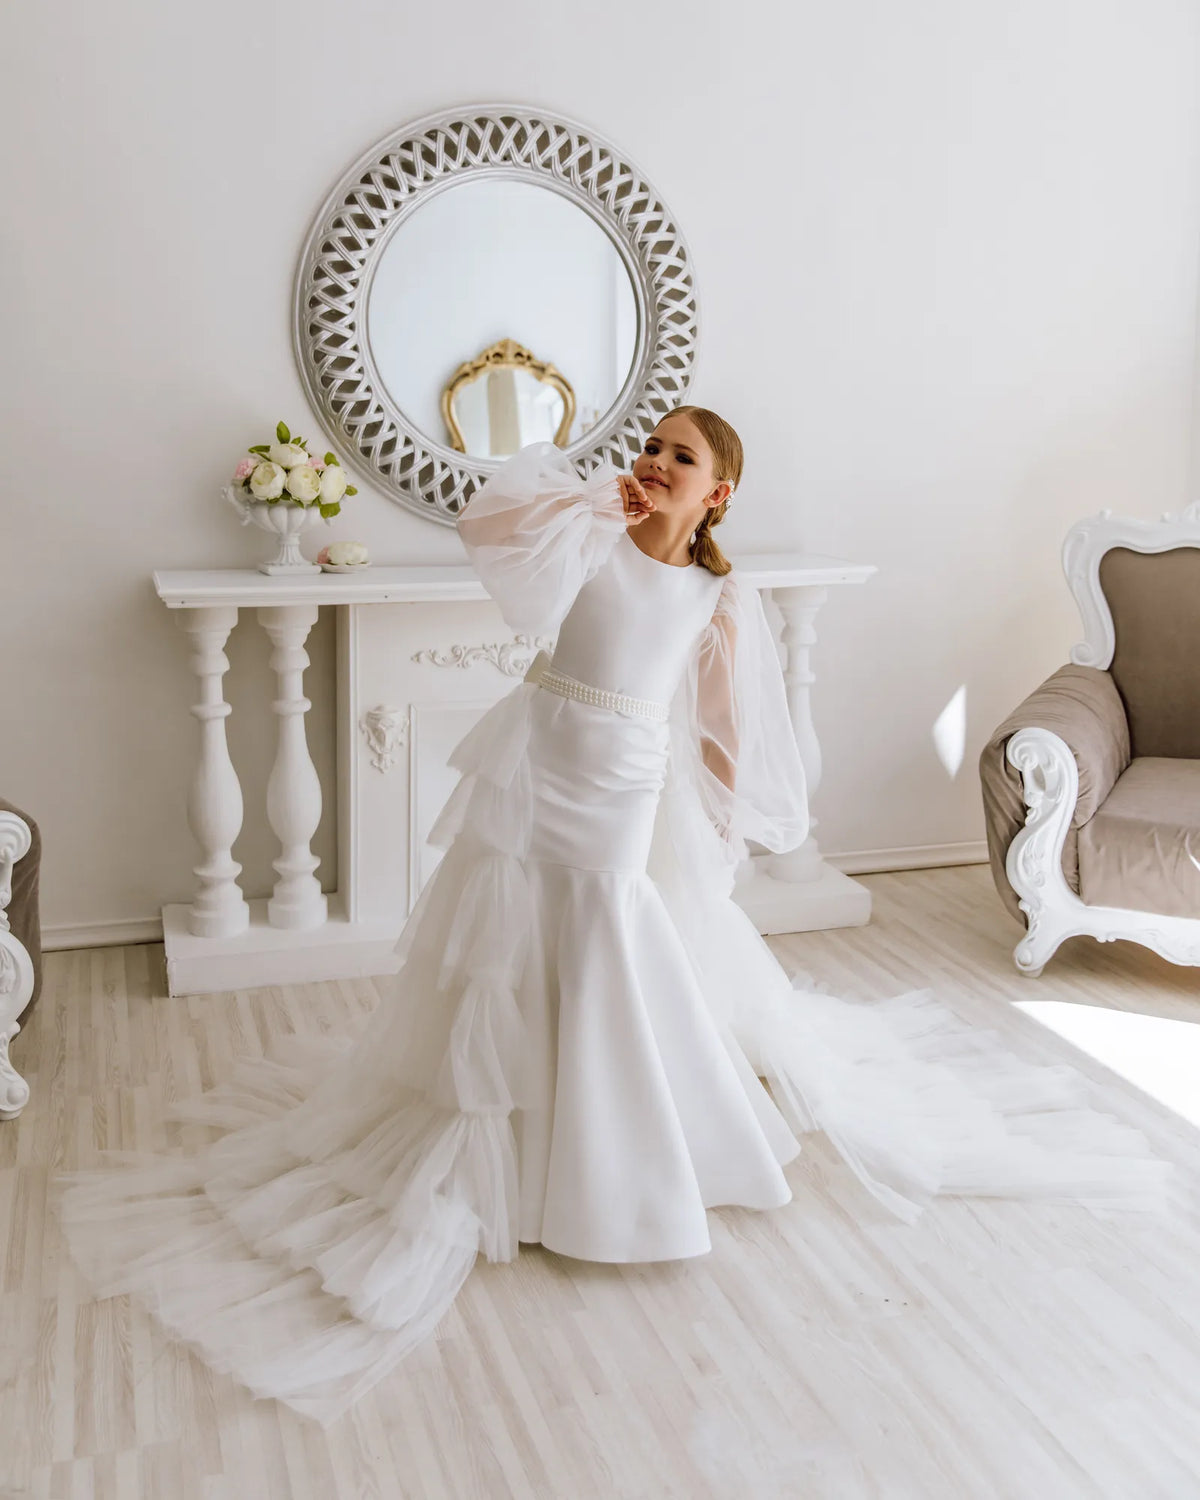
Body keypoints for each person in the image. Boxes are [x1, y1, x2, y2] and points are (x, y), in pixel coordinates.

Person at [58, 405, 1171, 1425]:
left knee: (604, 929)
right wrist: (600, 499)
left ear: (719, 491)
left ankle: (616, 1155)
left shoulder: (713, 594)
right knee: (511, 936)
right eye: (651, 448)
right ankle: (511, 1123)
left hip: (626, 771)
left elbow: (730, 723)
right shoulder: (588, 536)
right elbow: (485, 520)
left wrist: (725, 827)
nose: (655, 464)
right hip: (541, 746)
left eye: (680, 457)